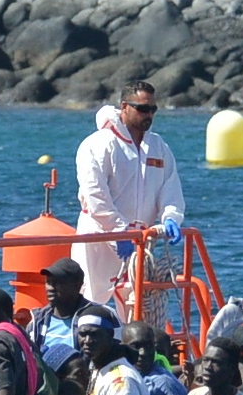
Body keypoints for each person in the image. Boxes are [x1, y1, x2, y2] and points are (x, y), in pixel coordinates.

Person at [74, 81, 186, 304]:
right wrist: (118, 230)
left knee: (138, 303)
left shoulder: (158, 146)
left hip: (141, 241)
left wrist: (171, 217)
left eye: (153, 109)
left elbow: (170, 187)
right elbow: (95, 193)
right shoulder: (98, 144)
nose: (149, 115)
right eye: (143, 109)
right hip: (99, 236)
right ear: (124, 107)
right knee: (92, 298)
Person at [28, 257, 90, 363]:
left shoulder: (96, 318)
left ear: (77, 285)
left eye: (58, 282)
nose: (50, 288)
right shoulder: (37, 322)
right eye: (48, 282)